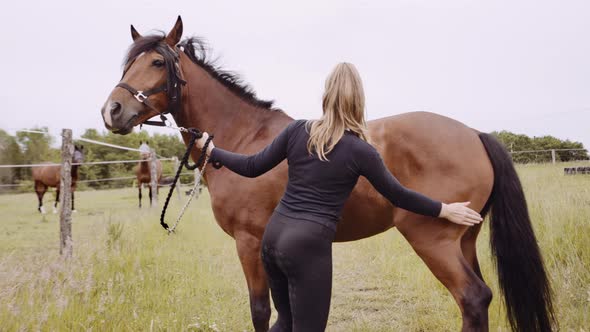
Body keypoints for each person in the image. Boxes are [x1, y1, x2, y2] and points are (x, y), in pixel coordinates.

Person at [195, 63, 482, 332]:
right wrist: (445, 209)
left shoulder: (297, 130)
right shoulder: (362, 151)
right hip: (306, 247)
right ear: (359, 101)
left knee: (284, 323)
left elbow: (252, 165)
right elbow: (399, 195)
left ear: (326, 96)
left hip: (273, 240)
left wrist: (212, 151)